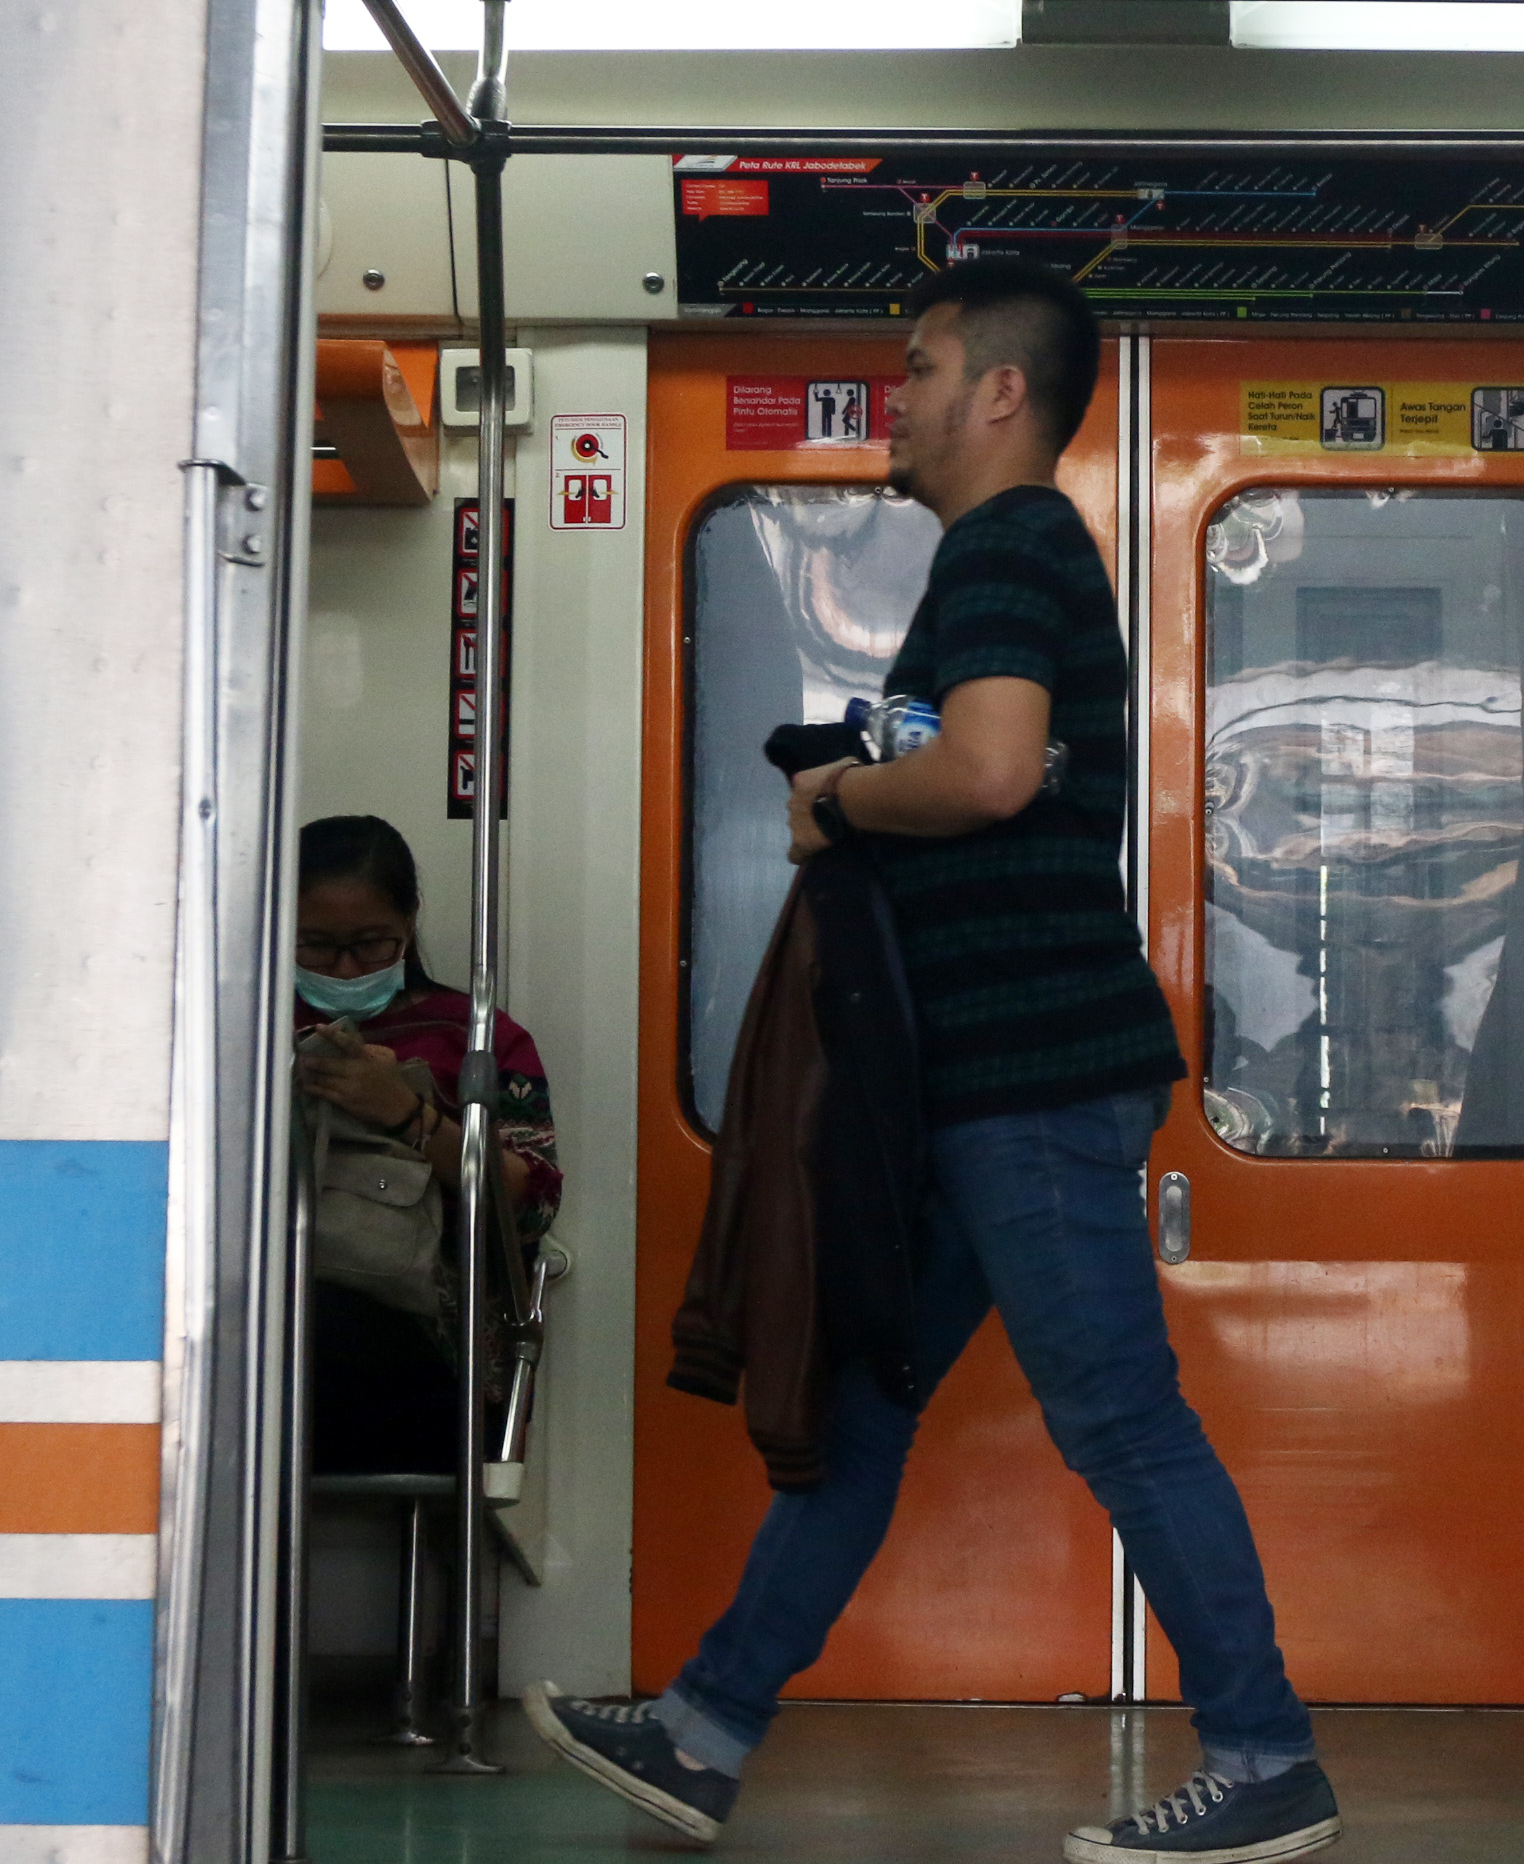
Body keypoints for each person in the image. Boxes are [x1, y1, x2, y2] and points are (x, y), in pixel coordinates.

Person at [525, 261, 1337, 1864]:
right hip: (976, 1085)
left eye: (915, 368)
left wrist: (831, 802)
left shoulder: (1013, 546)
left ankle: (1264, 1758)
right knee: (864, 1401)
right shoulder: (996, 557)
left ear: (999, 394)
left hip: (1027, 1079)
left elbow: (986, 771)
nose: (889, 397)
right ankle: (703, 1729)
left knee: (1120, 1419)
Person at [291, 813, 560, 1475]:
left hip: (427, 1347)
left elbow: (527, 1204)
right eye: (317, 946)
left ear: (410, 923)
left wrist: (406, 1113)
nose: (347, 967)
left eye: (373, 944)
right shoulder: (236, 1030)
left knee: (323, 1328)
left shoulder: (472, 1038)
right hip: (268, 1331)